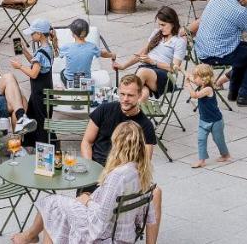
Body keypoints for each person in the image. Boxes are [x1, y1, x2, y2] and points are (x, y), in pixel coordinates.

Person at [12, 121, 162, 244]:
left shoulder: (118, 175)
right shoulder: (141, 171)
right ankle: (32, 235)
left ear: (118, 144)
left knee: (53, 204)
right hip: (124, 234)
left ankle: (31, 235)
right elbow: (147, 215)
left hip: (106, 235)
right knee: (59, 209)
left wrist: (87, 200)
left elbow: (101, 218)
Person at [80, 74, 156, 170]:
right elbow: (87, 142)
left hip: (121, 173)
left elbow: (145, 161)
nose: (125, 99)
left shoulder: (146, 125)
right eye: (122, 94)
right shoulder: (104, 109)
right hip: (96, 167)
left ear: (140, 95)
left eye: (130, 95)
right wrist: (90, 167)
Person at [111, 6, 185, 100]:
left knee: (140, 75)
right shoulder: (157, 33)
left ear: (173, 23)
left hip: (165, 76)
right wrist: (123, 66)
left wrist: (153, 62)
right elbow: (141, 53)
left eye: (163, 25)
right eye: (159, 25)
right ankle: (134, 112)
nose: (160, 28)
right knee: (143, 94)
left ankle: (124, 104)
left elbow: (175, 68)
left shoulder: (179, 42)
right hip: (147, 70)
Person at [11, 18, 57, 145]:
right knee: (32, 115)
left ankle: (46, 146)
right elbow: (35, 61)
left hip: (39, 92)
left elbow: (34, 73)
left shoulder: (41, 52)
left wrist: (19, 66)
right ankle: (30, 143)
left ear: (40, 34)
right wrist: (24, 51)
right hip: (45, 90)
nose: (31, 36)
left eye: (32, 33)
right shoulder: (47, 48)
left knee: (41, 120)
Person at [185, 63, 230, 168]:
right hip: (204, 119)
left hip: (216, 121)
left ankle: (225, 154)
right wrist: (181, 70)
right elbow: (191, 77)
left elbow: (195, 95)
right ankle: (202, 160)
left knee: (218, 139)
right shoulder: (202, 84)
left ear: (204, 78)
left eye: (196, 77)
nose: (194, 79)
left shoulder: (208, 89)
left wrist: (188, 85)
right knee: (201, 139)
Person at [62, 18, 108, 89]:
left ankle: (70, 87)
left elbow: (56, 54)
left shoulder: (67, 47)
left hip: (70, 80)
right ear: (86, 34)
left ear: (73, 34)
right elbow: (103, 53)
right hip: (86, 81)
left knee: (62, 72)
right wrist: (112, 55)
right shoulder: (92, 47)